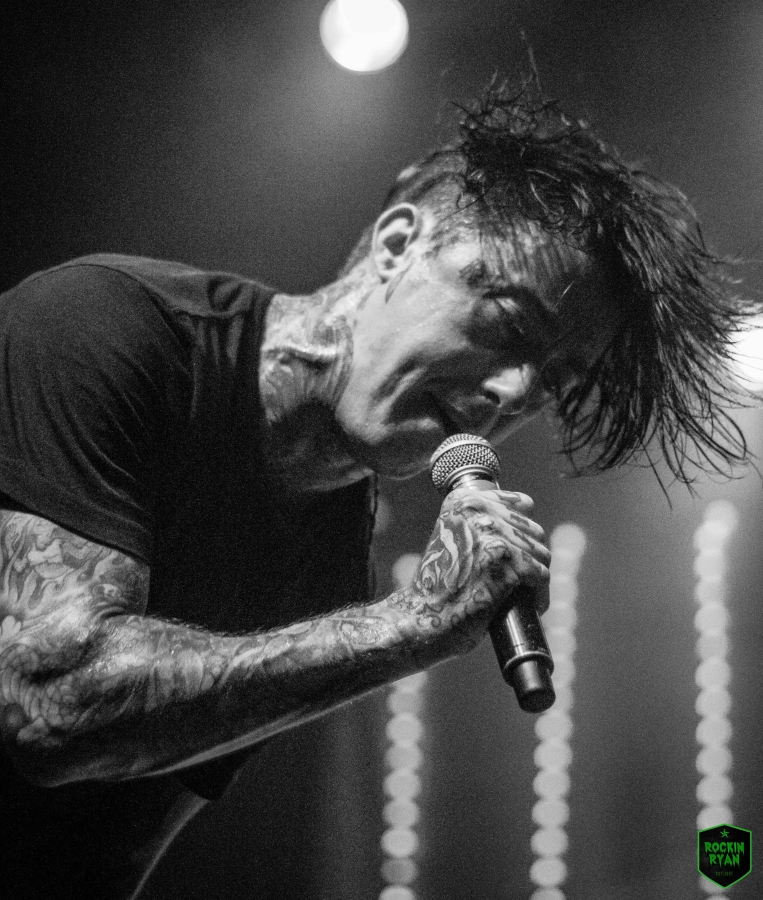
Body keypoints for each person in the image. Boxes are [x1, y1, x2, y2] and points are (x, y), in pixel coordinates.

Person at [0, 81, 752, 899]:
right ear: (398, 243)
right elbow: (49, 702)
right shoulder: (100, 328)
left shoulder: (330, 553)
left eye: (552, 383)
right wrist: (412, 624)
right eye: (508, 325)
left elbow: (117, 846)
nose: (511, 392)